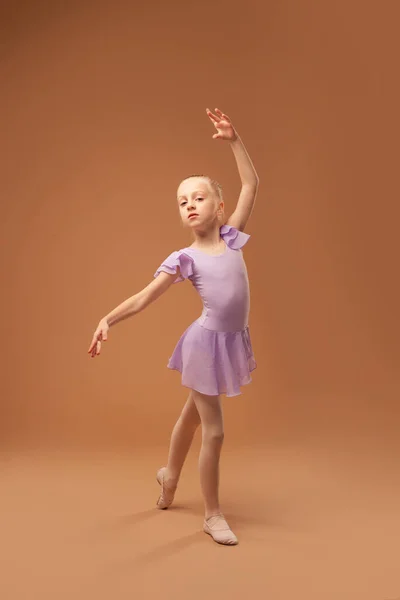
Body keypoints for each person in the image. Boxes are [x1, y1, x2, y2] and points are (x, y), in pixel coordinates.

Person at [88, 107, 259, 545]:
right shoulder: (186, 258)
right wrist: (108, 318)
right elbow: (145, 297)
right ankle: (212, 514)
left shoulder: (232, 235)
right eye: (182, 202)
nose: (189, 205)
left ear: (219, 207)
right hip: (204, 345)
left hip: (229, 342)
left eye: (198, 198)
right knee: (215, 430)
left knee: (191, 417)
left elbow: (251, 185)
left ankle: (168, 477)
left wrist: (234, 140)